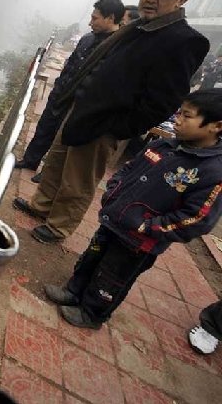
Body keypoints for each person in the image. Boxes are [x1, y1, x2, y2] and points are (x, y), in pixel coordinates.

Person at [14, 0, 210, 243]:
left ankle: (59, 226)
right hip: (81, 109)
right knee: (57, 162)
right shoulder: (137, 27)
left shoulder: (183, 40)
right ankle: (41, 205)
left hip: (105, 123)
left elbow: (165, 100)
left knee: (78, 179)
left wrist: (118, 128)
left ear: (182, 0)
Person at [44, 89, 222, 329]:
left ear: (215, 126)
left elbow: (196, 218)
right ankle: (74, 291)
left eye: (187, 116)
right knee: (92, 258)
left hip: (140, 241)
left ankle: (92, 313)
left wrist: (147, 226)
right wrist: (113, 190)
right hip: (114, 221)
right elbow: (129, 169)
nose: (177, 119)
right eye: (178, 113)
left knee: (112, 277)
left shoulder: (212, 171)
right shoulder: (163, 145)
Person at [15, 0, 125, 178]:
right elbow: (70, 65)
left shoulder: (115, 47)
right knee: (45, 127)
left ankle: (48, 173)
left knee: (62, 137)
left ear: (110, 18)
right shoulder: (88, 38)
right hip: (62, 92)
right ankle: (30, 160)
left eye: (95, 18)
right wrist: (58, 88)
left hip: (79, 102)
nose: (90, 23)